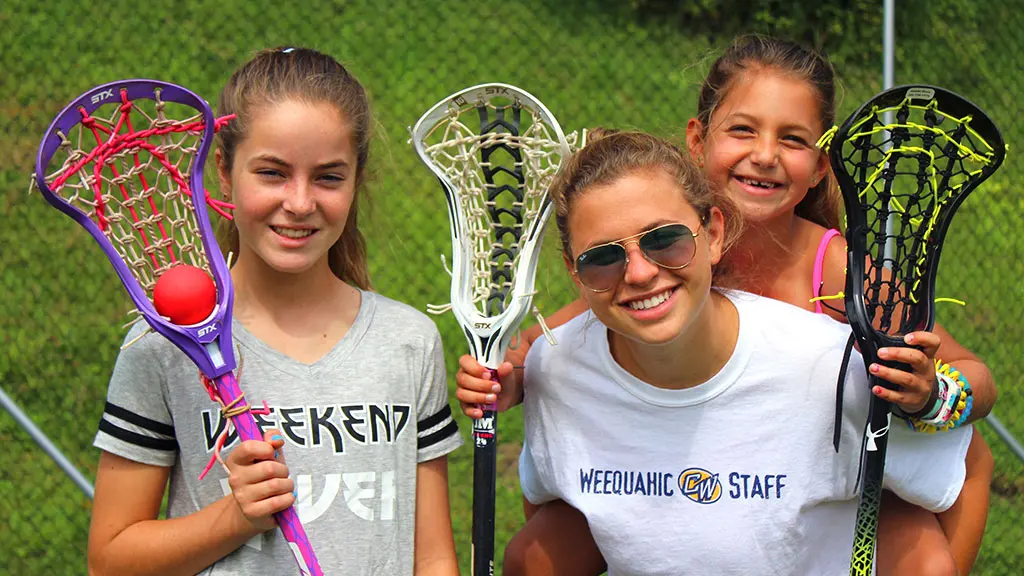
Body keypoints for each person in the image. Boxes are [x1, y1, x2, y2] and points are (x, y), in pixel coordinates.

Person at [458, 36, 994, 576]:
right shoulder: (662, 256)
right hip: (687, 476)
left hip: (820, 490)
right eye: (743, 129)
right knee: (535, 551)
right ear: (698, 139)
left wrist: (933, 397)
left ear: (821, 165)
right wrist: (508, 380)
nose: (764, 154)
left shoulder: (840, 272)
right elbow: (546, 345)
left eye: (793, 139)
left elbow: (975, 397)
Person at [88, 47, 462, 575]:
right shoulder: (162, 347)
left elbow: (433, 557)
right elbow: (111, 560)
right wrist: (234, 518)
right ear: (222, 170)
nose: (301, 202)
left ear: (357, 180)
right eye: (272, 173)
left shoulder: (407, 341)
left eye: (329, 177)